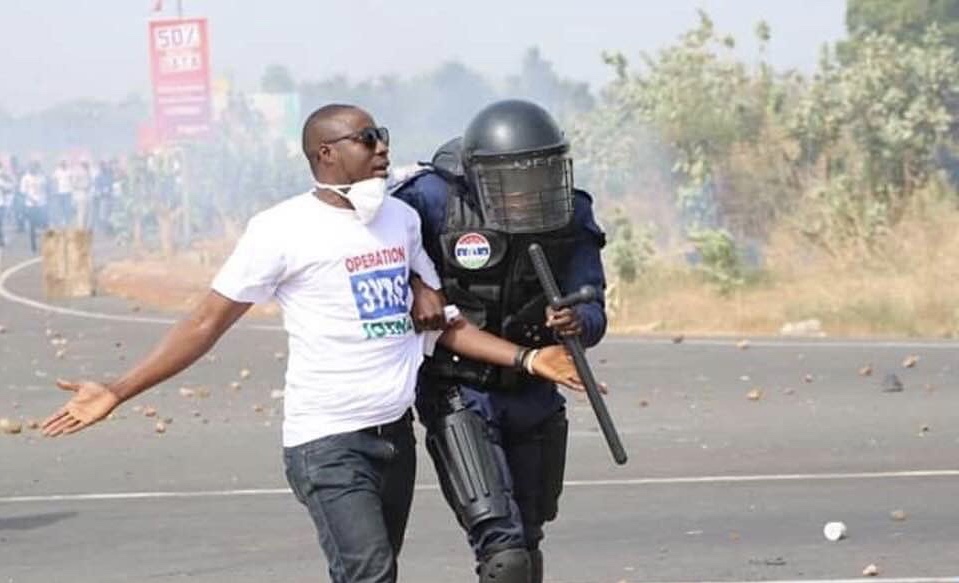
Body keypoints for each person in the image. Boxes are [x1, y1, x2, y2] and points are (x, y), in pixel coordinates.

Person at [41, 103, 586, 583]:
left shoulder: (399, 218)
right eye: (368, 138)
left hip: (393, 438)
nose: (383, 148)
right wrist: (118, 390)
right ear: (325, 153)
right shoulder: (282, 230)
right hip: (327, 443)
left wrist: (530, 356)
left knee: (375, 573)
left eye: (384, 135)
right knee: (369, 575)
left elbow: (446, 322)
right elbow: (206, 323)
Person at [392, 99, 608, 583]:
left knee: (528, 541)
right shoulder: (429, 200)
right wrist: (418, 285)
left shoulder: (572, 213)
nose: (525, 193)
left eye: (538, 177)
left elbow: (594, 306)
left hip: (534, 389)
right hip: (459, 389)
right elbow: (381, 252)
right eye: (511, 180)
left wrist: (578, 321)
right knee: (503, 551)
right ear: (478, 177)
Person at [19, 161, 49, 253]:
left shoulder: (42, 177)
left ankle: (46, 245)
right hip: (31, 205)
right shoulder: (25, 178)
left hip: (42, 204)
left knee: (44, 225)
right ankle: (33, 247)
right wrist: (31, 199)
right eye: (32, 167)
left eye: (35, 167)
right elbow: (23, 192)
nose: (33, 168)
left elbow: (46, 189)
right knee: (32, 226)